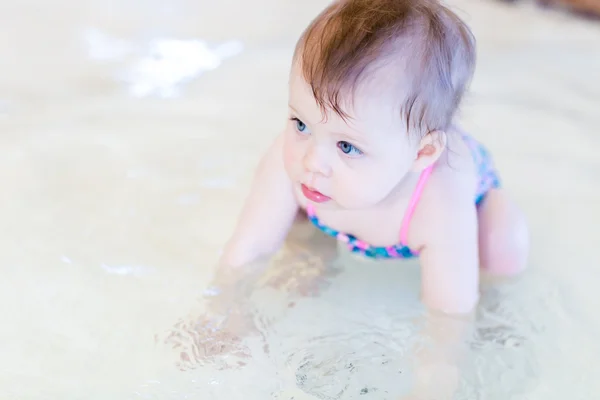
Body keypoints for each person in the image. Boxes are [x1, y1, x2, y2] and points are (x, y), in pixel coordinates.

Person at [203, 0, 529, 396]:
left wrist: (435, 380)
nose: (312, 162)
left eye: (347, 147)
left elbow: (448, 317)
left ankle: (497, 302)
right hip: (335, 215)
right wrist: (221, 312)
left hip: (471, 211)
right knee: (296, 246)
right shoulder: (292, 162)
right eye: (301, 123)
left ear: (421, 154)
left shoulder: (440, 202)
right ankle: (315, 258)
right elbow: (248, 248)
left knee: (502, 241)